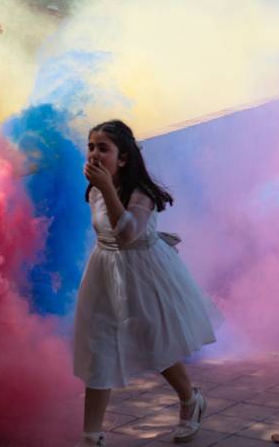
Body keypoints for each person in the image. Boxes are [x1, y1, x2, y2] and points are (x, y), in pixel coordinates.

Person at [74, 120, 219, 446]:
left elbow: (126, 235)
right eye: (91, 146)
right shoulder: (96, 189)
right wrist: (104, 188)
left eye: (103, 148)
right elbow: (109, 238)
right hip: (105, 271)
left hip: (144, 272)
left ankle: (190, 399)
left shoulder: (142, 195)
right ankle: (91, 436)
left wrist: (109, 190)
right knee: (99, 349)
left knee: (154, 342)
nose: (95, 153)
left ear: (122, 158)